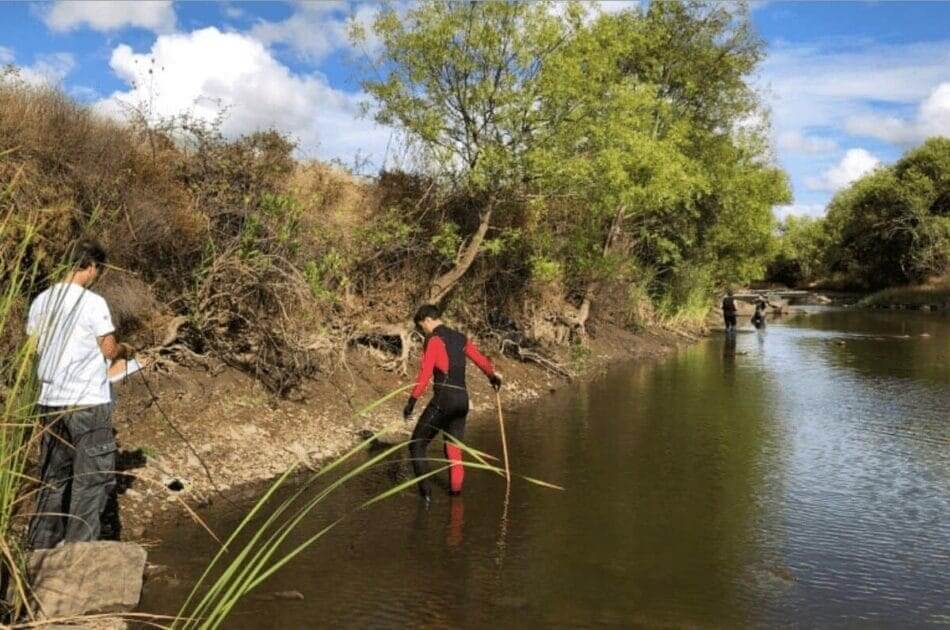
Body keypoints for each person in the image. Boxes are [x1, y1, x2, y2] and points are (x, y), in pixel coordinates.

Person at [26, 240, 133, 549]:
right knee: (92, 479)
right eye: (98, 270)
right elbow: (110, 349)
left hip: (49, 403)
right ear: (91, 267)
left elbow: (32, 350)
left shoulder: (40, 301)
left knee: (52, 477)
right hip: (87, 401)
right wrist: (126, 350)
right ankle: (79, 552)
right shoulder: (93, 303)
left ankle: (40, 550)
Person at [403, 304, 502, 502]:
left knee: (417, 445)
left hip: (444, 400)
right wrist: (492, 377)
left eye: (422, 327)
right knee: (453, 449)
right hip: (462, 401)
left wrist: (412, 401)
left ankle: (426, 498)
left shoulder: (434, 340)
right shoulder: (461, 338)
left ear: (428, 320)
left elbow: (425, 374)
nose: (423, 331)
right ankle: (456, 499)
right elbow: (482, 361)